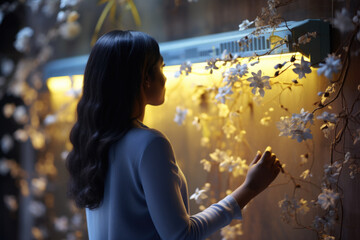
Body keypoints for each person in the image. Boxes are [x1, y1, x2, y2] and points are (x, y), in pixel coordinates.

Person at [66, 30, 282, 240]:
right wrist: (249, 188)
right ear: (145, 78)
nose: (165, 77)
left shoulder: (94, 141)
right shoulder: (149, 144)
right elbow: (181, 235)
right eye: (161, 67)